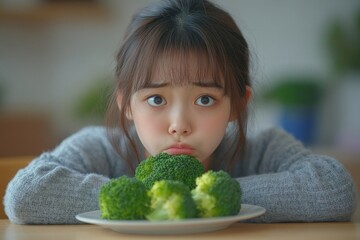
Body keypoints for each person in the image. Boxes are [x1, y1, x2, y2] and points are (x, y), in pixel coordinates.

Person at [4, 0, 356, 224]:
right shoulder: (100, 147)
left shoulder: (262, 147)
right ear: (127, 102)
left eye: (205, 99)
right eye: (156, 99)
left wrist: (203, 199)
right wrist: (161, 201)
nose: (179, 126)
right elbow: (25, 195)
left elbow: (334, 190)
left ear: (237, 103)